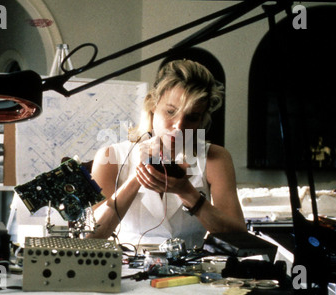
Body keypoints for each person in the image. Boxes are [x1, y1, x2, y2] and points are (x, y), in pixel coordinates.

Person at [89, 59, 246, 249]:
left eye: (192, 117)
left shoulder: (215, 158)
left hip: (191, 272)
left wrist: (187, 192)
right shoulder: (111, 156)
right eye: (171, 112)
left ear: (202, 120)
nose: (179, 126)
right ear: (153, 105)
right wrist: (138, 177)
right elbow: (92, 237)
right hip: (127, 270)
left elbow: (238, 238)